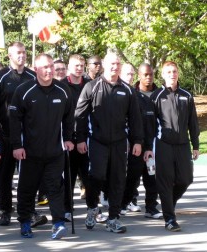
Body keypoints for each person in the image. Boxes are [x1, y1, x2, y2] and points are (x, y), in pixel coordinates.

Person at [75, 52, 143, 233]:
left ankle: (113, 218)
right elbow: (80, 116)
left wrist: (137, 141)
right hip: (97, 141)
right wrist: (80, 138)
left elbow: (135, 119)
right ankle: (92, 208)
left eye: (118, 64)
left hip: (120, 143)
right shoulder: (91, 86)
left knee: (118, 180)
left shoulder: (127, 90)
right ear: (104, 64)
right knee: (96, 177)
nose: (115, 67)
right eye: (112, 63)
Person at [10, 53, 74, 239]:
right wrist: (16, 145)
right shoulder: (24, 90)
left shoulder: (63, 91)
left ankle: (58, 223)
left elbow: (69, 118)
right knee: (27, 188)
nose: (49, 70)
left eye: (51, 66)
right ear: (36, 69)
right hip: (29, 152)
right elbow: (15, 120)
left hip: (55, 151)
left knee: (55, 188)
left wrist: (69, 138)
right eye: (45, 67)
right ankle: (25, 222)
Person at [0, 42, 47, 227]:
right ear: (10, 55)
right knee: (4, 176)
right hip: (6, 135)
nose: (22, 56)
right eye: (18, 53)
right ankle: (5, 210)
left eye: (24, 52)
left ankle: (29, 210)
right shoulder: (0, 77)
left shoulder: (32, 76)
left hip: (29, 136)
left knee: (29, 177)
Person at [145, 61, 200, 232]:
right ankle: (170, 218)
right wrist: (148, 147)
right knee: (165, 181)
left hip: (183, 144)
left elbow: (193, 122)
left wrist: (196, 145)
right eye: (168, 72)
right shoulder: (156, 95)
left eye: (174, 71)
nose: (172, 74)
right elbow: (149, 125)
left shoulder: (187, 95)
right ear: (163, 75)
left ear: (178, 73)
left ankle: (169, 203)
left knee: (186, 179)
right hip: (163, 144)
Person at [121, 63, 162, 218]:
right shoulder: (132, 95)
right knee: (133, 177)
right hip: (135, 144)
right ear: (139, 75)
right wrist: (137, 143)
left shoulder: (158, 94)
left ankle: (151, 207)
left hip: (153, 144)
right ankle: (124, 203)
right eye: (145, 74)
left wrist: (151, 145)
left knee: (151, 177)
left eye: (151, 74)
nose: (149, 77)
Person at [61, 54, 90, 219]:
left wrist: (82, 138)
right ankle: (67, 208)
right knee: (68, 176)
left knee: (88, 176)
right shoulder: (62, 86)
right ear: (69, 66)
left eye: (81, 65)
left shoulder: (89, 85)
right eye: (76, 65)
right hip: (68, 138)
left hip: (86, 137)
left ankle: (93, 208)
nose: (79, 68)